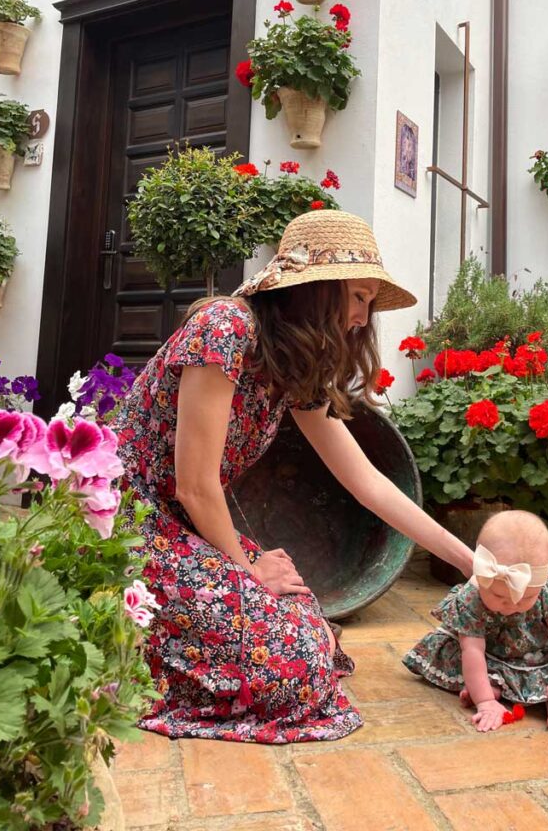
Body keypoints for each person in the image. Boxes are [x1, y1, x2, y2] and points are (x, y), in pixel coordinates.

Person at [113, 209, 473, 744]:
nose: (362, 317)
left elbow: (366, 480)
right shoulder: (225, 330)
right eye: (358, 296)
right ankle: (121, 654)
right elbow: (194, 485)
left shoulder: (289, 364)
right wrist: (249, 569)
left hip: (183, 526)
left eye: (370, 302)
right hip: (129, 521)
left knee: (307, 631)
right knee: (295, 664)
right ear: (317, 289)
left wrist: (472, 563)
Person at [402, 509, 548, 732]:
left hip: (532, 656)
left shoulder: (546, 591)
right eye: (499, 596)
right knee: (470, 666)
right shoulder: (472, 599)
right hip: (486, 656)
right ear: (481, 577)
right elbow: (473, 652)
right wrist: (485, 703)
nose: (511, 605)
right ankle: (488, 690)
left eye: (527, 597)